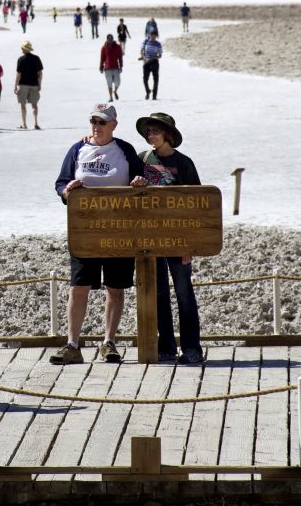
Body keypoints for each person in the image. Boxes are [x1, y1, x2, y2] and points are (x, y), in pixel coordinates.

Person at [52, 104, 146, 364]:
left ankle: (109, 342)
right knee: (78, 287)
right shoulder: (78, 149)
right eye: (94, 121)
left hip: (120, 230)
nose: (97, 126)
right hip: (85, 230)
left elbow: (140, 180)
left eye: (103, 122)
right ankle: (72, 344)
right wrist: (67, 191)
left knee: (115, 287)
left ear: (114, 124)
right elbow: (61, 183)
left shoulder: (124, 150)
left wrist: (138, 183)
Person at [135, 112, 205, 363]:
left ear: (168, 134)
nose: (150, 135)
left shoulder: (184, 163)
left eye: (155, 131)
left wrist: (190, 243)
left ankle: (192, 348)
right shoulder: (142, 159)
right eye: (148, 132)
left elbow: (197, 204)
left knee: (184, 292)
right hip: (151, 238)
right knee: (159, 292)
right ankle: (165, 346)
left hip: (178, 238)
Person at [14, 41, 43, 130]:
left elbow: (19, 74)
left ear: (24, 49)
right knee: (34, 105)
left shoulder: (21, 59)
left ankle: (24, 124)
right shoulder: (36, 58)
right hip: (34, 84)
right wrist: (39, 84)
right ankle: (35, 123)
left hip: (23, 84)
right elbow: (40, 73)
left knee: (23, 104)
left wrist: (15, 85)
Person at [99, 34, 124, 102]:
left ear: (113, 39)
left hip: (116, 67)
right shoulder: (104, 47)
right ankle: (111, 97)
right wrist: (101, 67)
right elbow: (102, 58)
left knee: (118, 82)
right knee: (109, 83)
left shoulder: (117, 47)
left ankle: (115, 91)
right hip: (107, 68)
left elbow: (120, 57)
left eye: (111, 39)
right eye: (109, 39)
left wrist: (121, 66)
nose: (110, 40)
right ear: (107, 39)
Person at [141, 30, 163, 100]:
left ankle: (154, 95)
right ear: (149, 35)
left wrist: (154, 58)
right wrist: (144, 58)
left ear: (156, 36)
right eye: (152, 35)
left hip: (154, 62)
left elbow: (160, 55)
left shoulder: (158, 44)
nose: (153, 36)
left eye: (154, 35)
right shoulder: (145, 42)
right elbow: (141, 51)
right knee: (145, 79)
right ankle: (148, 91)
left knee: (156, 80)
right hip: (146, 62)